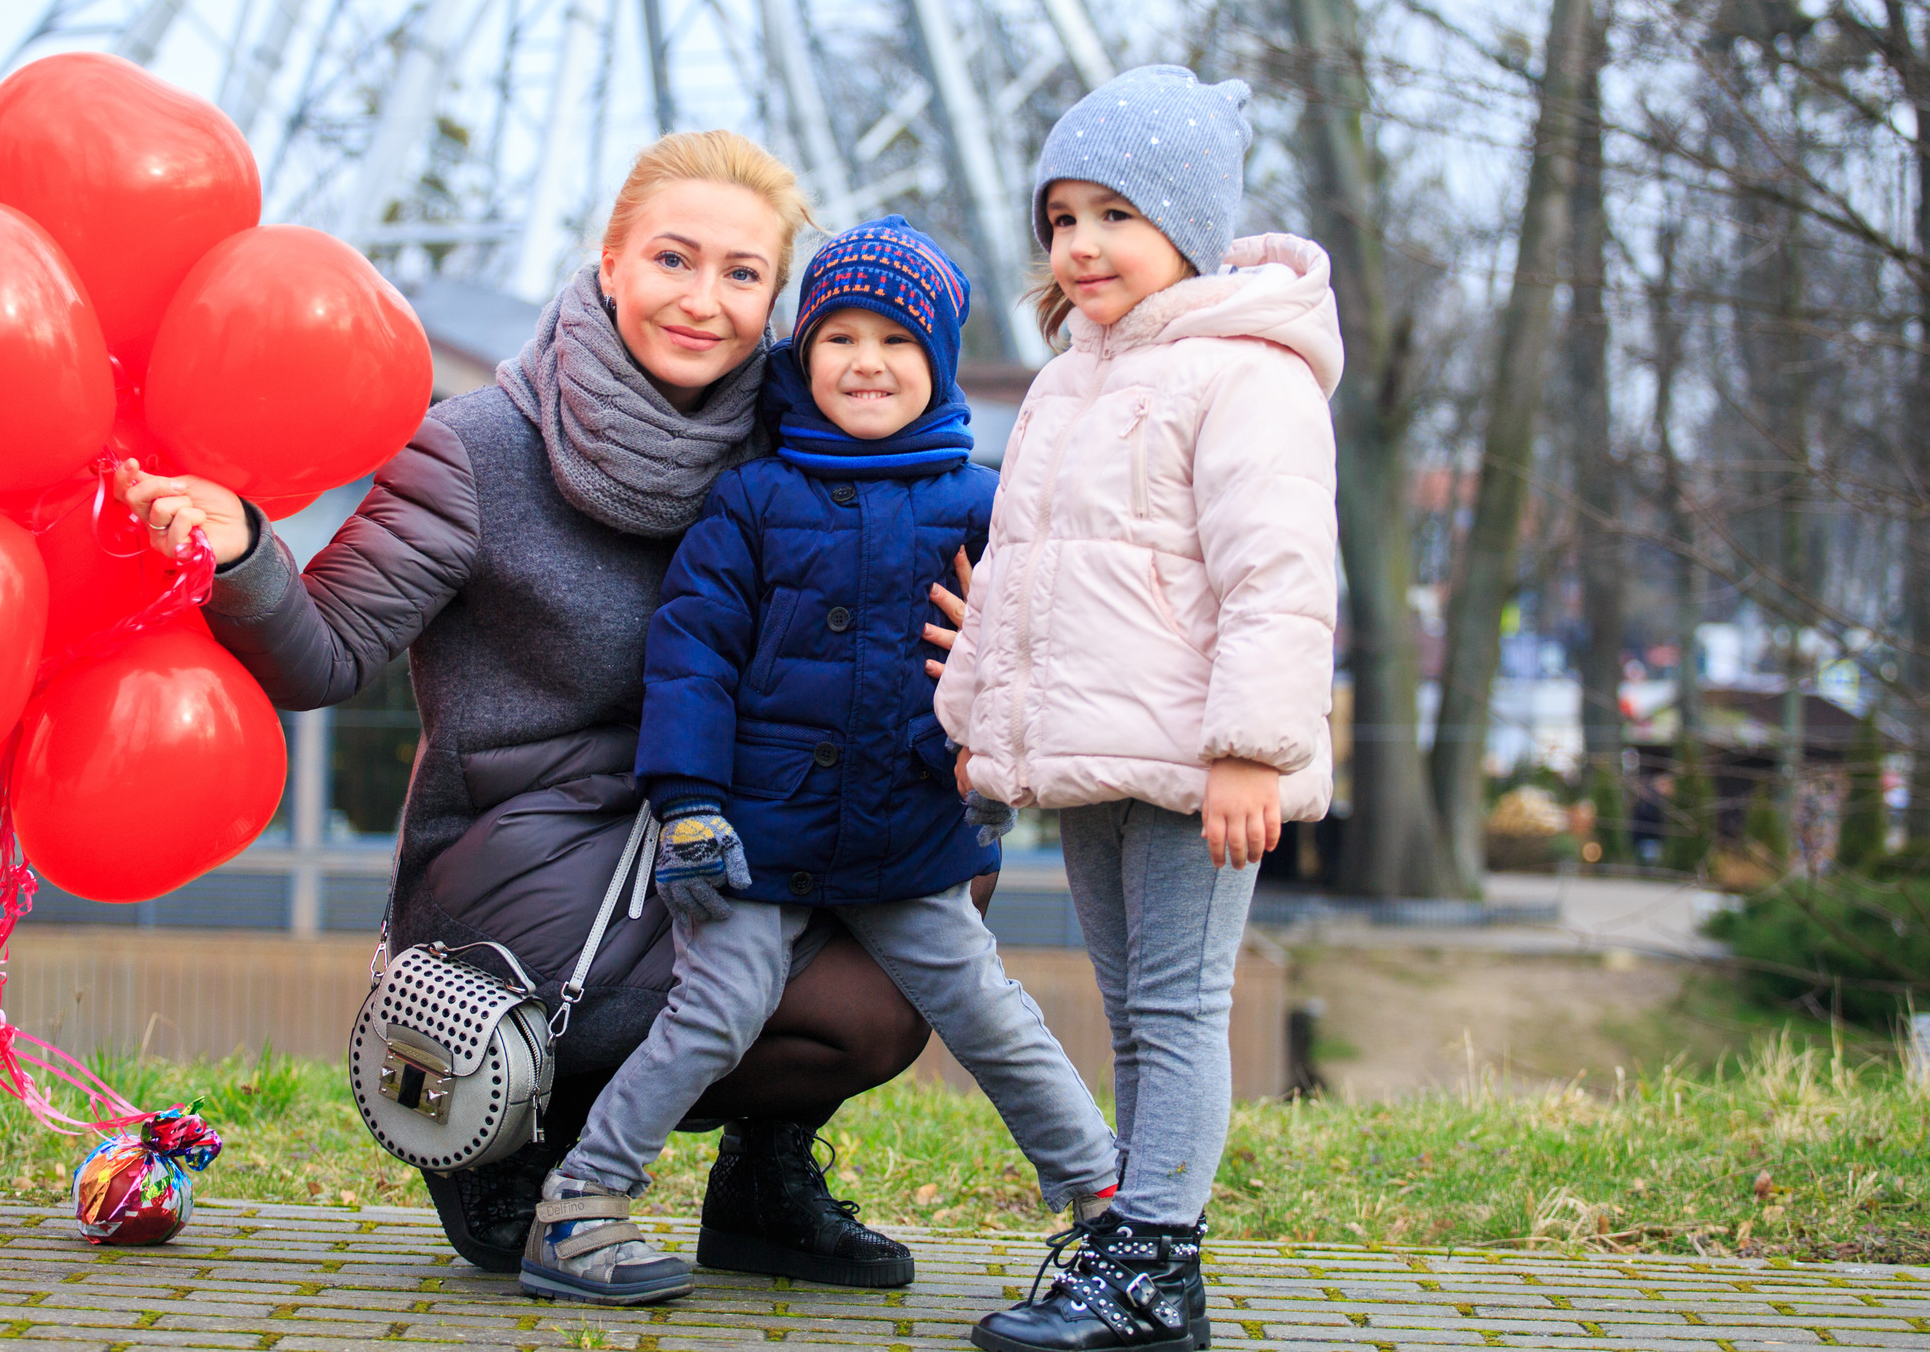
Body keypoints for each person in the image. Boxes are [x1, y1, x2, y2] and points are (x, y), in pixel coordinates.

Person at [117, 132, 964, 1282]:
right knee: (743, 950)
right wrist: (245, 555)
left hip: (716, 838)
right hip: (527, 870)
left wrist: (979, 654)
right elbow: (322, 658)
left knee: (913, 927)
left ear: (776, 305)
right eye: (673, 259)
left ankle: (761, 1183)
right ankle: (509, 1133)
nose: (701, 301)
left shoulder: (801, 455)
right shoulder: (475, 450)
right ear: (609, 264)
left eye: (740, 274)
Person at [514, 218, 1124, 1306]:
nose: (865, 361)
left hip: (907, 834)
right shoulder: (753, 503)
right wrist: (690, 804)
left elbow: (1038, 650)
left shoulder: (984, 507)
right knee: (717, 1008)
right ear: (803, 358)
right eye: (838, 336)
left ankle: (1106, 1202)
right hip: (759, 833)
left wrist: (999, 762)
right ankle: (578, 1208)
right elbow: (692, 657)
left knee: (989, 1008)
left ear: (934, 362)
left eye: (896, 341)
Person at [937, 67, 1341, 1352]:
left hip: (1195, 766)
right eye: (1061, 218)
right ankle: (1129, 1245)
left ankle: (1157, 1268)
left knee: (1175, 1010)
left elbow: (1278, 580)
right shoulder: (1069, 382)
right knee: (1127, 1009)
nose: (1080, 245)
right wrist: (979, 724)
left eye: (1113, 213)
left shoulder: (1246, 375)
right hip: (1098, 754)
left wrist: (1248, 751)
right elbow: (1021, 577)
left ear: (1186, 223)